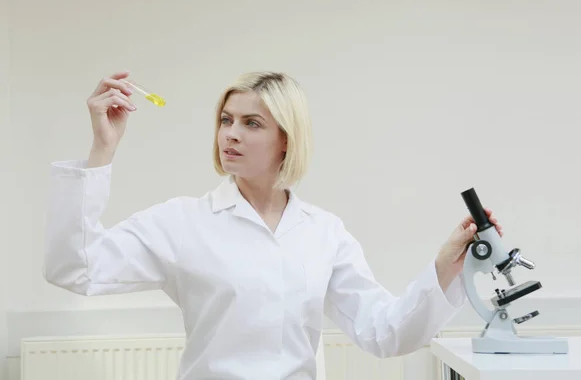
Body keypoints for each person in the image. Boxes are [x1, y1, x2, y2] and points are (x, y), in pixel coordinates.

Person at [43, 70, 503, 379]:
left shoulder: (322, 232)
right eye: (226, 120)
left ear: (286, 139)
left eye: (251, 123)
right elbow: (76, 269)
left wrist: (445, 268)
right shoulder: (182, 222)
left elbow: (384, 332)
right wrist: (102, 150)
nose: (231, 134)